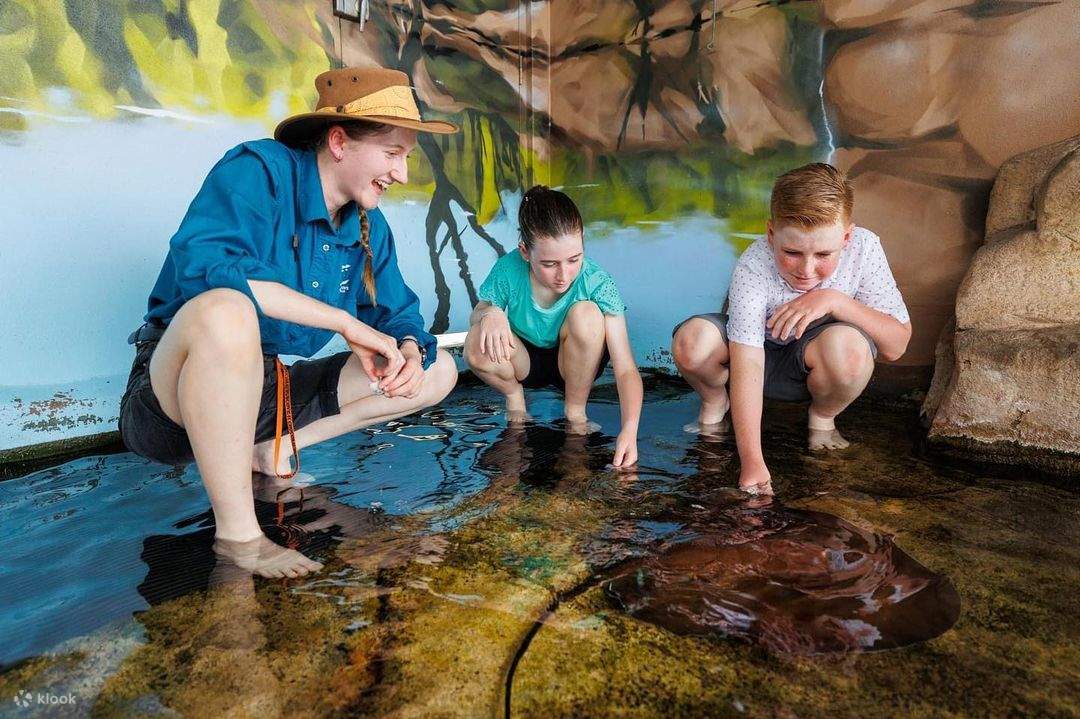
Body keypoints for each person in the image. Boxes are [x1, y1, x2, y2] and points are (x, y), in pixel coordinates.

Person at [118, 67, 460, 578]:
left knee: (440, 372)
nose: (402, 173)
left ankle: (266, 451)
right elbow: (203, 267)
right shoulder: (257, 171)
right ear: (340, 142)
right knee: (225, 308)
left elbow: (400, 315)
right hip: (169, 405)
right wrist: (342, 321)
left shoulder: (371, 227)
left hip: (262, 397)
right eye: (393, 155)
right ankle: (239, 539)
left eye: (406, 157)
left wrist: (409, 349)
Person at [671, 163, 911, 495]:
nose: (806, 270)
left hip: (811, 362)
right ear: (771, 235)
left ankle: (823, 417)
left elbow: (896, 346)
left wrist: (834, 300)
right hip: (756, 359)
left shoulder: (865, 249)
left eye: (824, 254)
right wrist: (752, 462)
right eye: (792, 252)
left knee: (851, 351)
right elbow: (749, 363)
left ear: (847, 237)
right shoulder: (754, 264)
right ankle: (715, 402)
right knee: (691, 343)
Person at [464, 186, 643, 468]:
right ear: (525, 252)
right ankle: (514, 398)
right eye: (549, 264)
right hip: (524, 361)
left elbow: (625, 368)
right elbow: (477, 316)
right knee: (476, 339)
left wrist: (629, 431)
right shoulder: (509, 268)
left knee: (587, 314)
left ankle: (575, 412)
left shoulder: (598, 281)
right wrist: (490, 312)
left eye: (574, 259)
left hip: (575, 365)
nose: (563, 276)